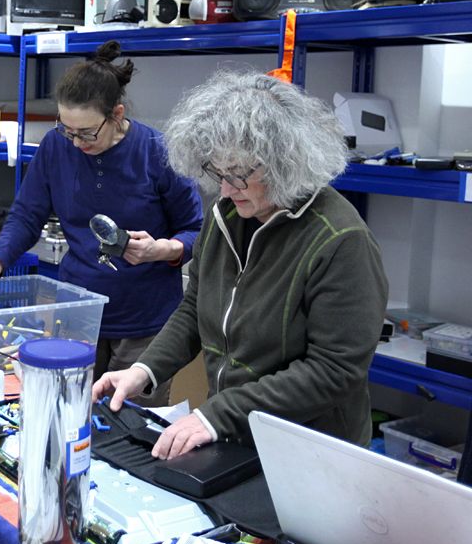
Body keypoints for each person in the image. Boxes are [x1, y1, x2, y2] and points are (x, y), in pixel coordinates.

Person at [93, 69, 389, 459]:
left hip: (310, 452)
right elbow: (193, 308)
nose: (226, 189)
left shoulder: (340, 241)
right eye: (218, 172)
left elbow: (333, 372)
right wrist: (144, 371)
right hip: (236, 436)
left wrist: (216, 414)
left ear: (287, 162)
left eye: (239, 175)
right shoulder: (228, 215)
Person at [0, 41, 204, 403]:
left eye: (87, 133)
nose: (76, 143)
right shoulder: (56, 147)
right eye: (67, 130)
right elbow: (27, 214)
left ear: (117, 114)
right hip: (79, 312)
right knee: (67, 416)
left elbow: (197, 230)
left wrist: (162, 250)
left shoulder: (157, 152)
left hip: (145, 324)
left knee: (131, 431)